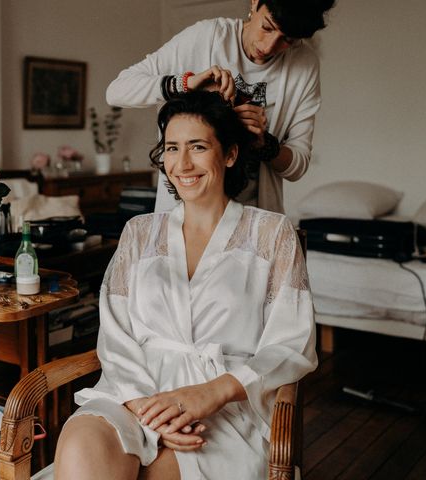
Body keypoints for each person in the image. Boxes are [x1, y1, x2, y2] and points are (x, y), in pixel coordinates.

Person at [47, 91, 317, 480]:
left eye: (198, 146)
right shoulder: (139, 233)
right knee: (80, 453)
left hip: (225, 407)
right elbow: (115, 331)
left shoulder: (271, 233)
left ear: (229, 154)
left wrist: (212, 392)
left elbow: (292, 344)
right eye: (172, 148)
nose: (182, 163)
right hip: (131, 392)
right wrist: (145, 406)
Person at [107, 0, 336, 214]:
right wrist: (185, 83)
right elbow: (116, 91)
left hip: (255, 215)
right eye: (267, 27)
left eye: (288, 40)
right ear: (255, 2)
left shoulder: (304, 65)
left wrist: (264, 143)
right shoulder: (207, 37)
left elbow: (297, 166)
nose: (268, 47)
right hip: (185, 213)